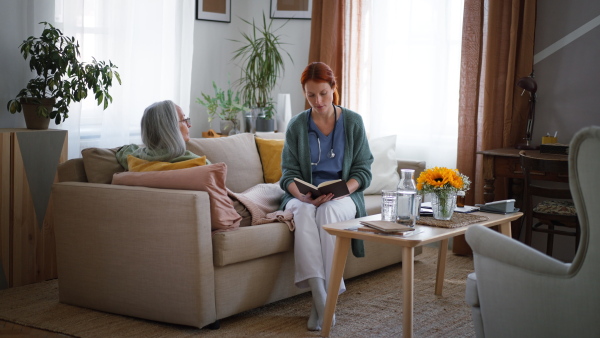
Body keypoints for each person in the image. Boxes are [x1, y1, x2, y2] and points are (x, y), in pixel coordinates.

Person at [279, 62, 373, 331]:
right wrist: (303, 196)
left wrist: (343, 190)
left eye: (323, 93)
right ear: (304, 93)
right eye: (310, 95)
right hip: (304, 195)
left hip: (342, 196)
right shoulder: (297, 125)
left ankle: (321, 302)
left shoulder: (353, 122)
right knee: (305, 211)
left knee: (329, 212)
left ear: (334, 88)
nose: (317, 101)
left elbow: (363, 171)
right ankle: (321, 299)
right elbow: (288, 175)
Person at [116, 100, 202, 169]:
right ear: (170, 128)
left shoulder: (133, 158)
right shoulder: (197, 164)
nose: (189, 125)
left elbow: (124, 150)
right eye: (184, 120)